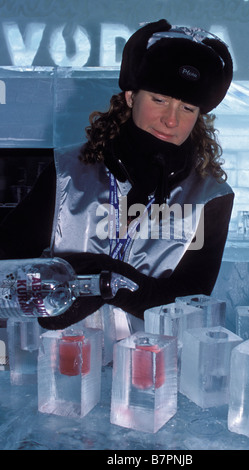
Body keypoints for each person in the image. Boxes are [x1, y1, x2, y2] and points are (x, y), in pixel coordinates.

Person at [0, 19, 234, 330]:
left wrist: (97, 276)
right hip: (62, 364)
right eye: (159, 100)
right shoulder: (67, 172)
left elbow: (187, 301)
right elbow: (7, 266)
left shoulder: (210, 196)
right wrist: (105, 281)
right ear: (130, 97)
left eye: (187, 108)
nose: (170, 120)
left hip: (155, 367)